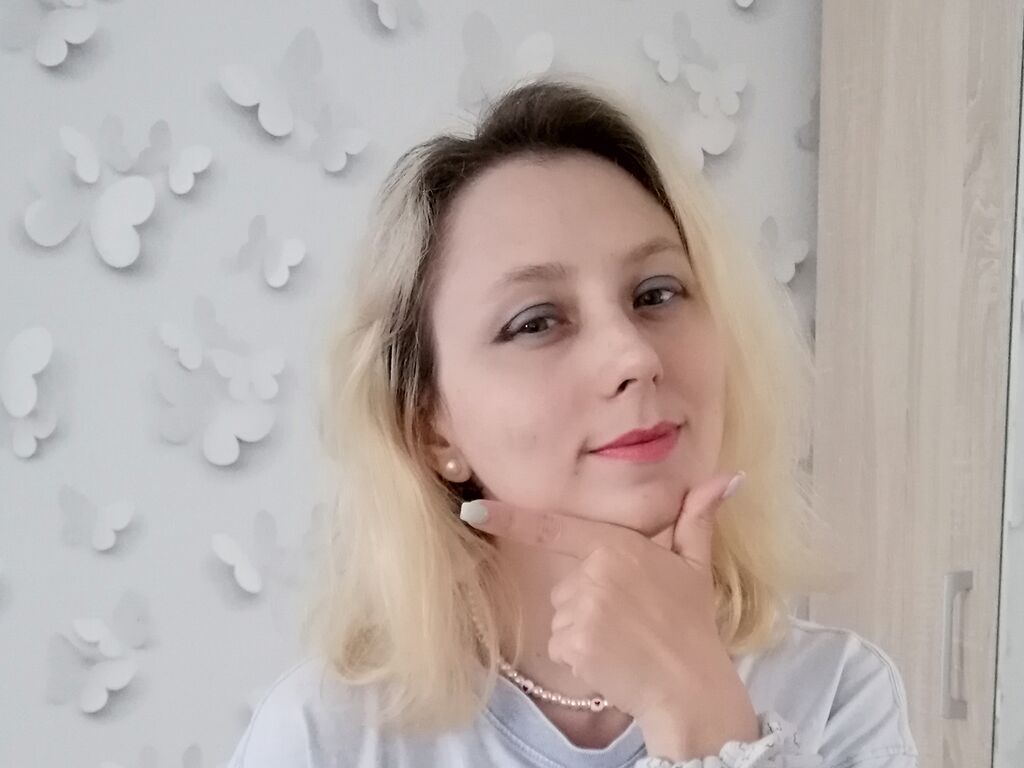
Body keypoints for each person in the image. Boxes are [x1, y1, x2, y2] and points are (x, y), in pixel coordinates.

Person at [227, 74, 920, 767]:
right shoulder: (328, 737)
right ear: (431, 430)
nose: (634, 356)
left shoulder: (837, 695)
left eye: (657, 293)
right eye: (535, 322)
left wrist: (703, 716)